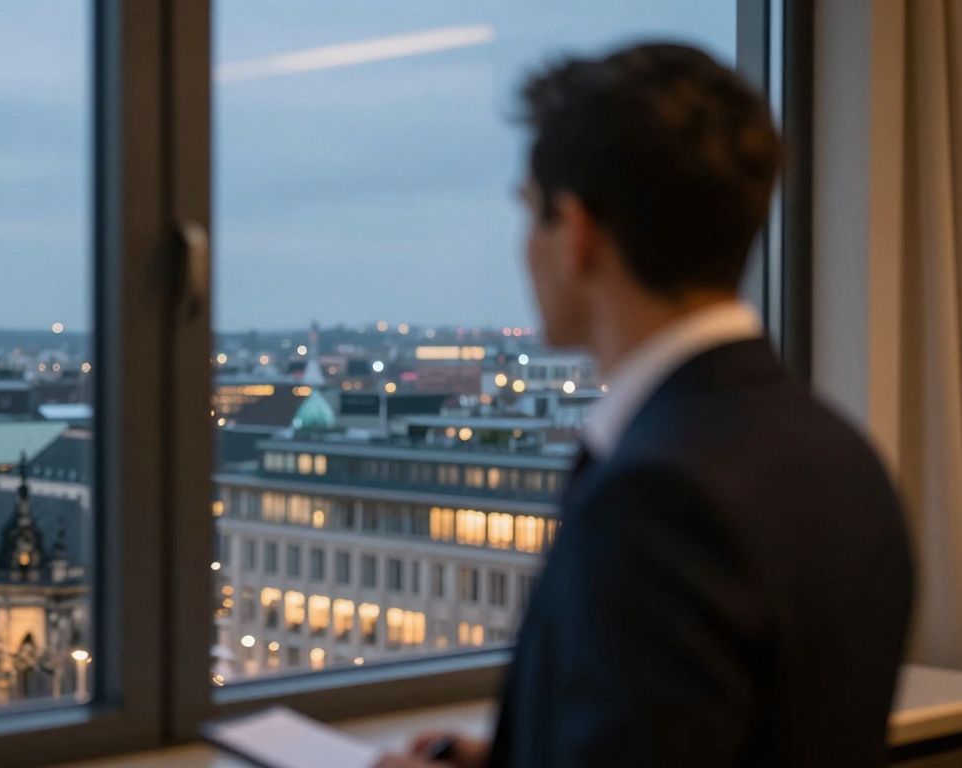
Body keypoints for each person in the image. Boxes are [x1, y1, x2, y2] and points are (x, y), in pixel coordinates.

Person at [376, 42, 913, 768]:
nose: (523, 248)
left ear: (577, 235)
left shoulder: (656, 499)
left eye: (531, 214)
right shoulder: (842, 455)